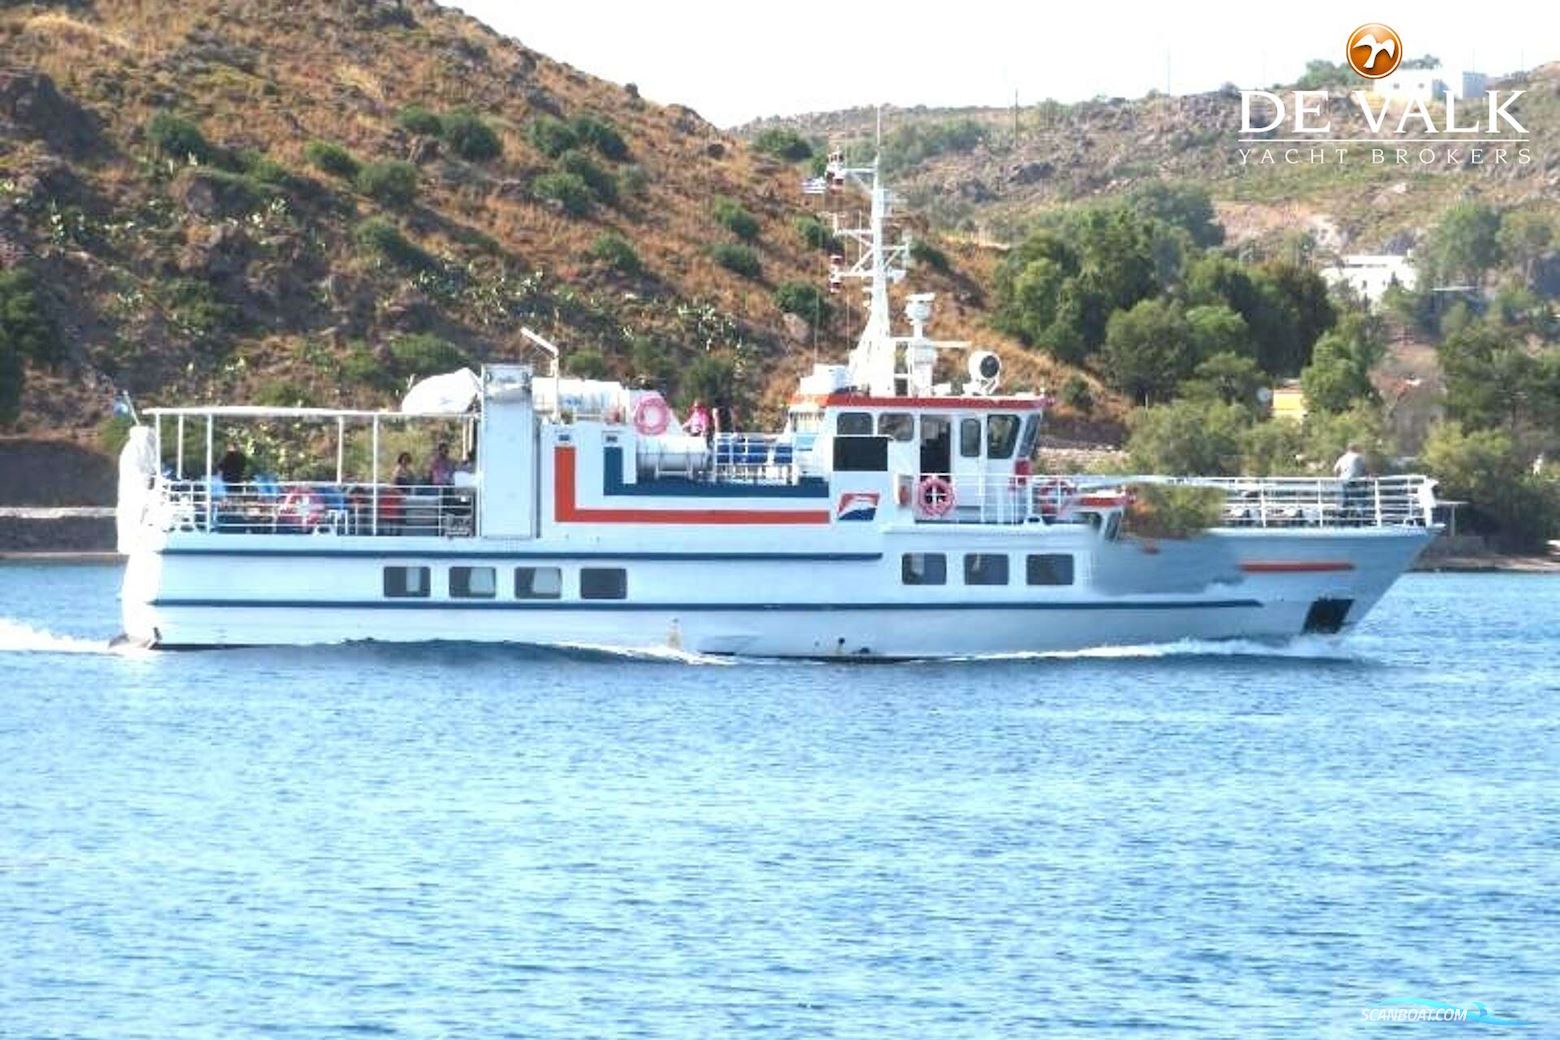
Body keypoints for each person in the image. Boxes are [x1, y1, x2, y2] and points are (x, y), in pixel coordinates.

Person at [1334, 443, 1368, 521]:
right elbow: (1364, 469)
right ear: (1355, 449)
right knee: (1358, 499)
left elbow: (1335, 469)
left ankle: (1342, 517)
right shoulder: (1358, 457)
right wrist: (1367, 475)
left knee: (1344, 499)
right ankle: (1360, 516)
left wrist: (1339, 477)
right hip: (1353, 481)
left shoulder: (1342, 458)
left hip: (1343, 480)